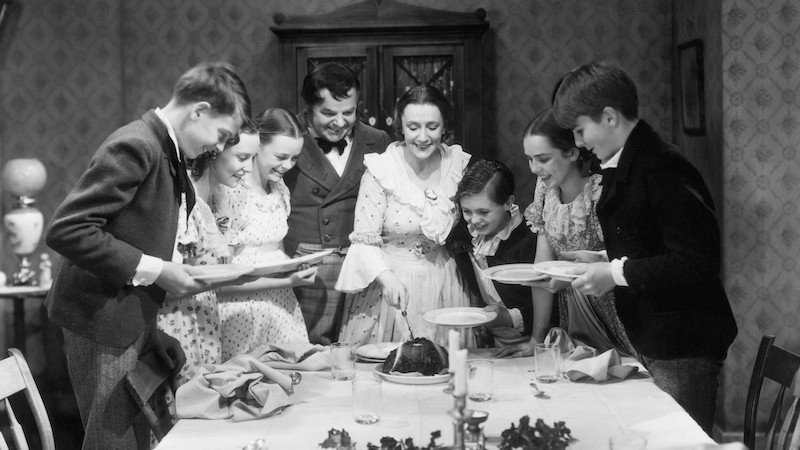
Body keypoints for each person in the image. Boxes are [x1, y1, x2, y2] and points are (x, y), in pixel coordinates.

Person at [45, 61, 251, 449]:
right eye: (222, 134)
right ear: (199, 110)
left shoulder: (166, 149)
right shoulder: (137, 144)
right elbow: (68, 229)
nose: (220, 147)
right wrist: (157, 270)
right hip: (101, 320)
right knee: (113, 442)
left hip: (129, 316)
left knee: (133, 437)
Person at [552, 61, 737, 434]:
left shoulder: (663, 166)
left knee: (677, 442)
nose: (578, 142)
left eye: (579, 129)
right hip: (654, 334)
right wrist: (604, 258)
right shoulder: (630, 162)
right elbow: (653, 242)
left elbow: (695, 261)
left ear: (609, 117)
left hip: (682, 340)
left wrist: (615, 273)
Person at [335, 84, 471, 345]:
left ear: (444, 127)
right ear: (401, 127)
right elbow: (364, 240)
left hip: (446, 281)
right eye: (413, 127)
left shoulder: (456, 164)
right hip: (391, 284)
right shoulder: (381, 170)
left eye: (432, 127)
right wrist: (389, 281)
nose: (422, 137)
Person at [498, 109, 634, 357]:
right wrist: (536, 341)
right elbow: (543, 269)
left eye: (542, 159)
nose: (534, 168)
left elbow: (629, 261)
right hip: (577, 318)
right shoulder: (544, 191)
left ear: (572, 152)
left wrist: (573, 276)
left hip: (622, 314)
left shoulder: (602, 189)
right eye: (530, 159)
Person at [284, 62, 392, 345]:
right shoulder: (286, 140)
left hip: (363, 265)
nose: (340, 122)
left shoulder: (379, 141)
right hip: (309, 267)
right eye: (328, 113)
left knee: (364, 351)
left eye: (349, 112)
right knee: (313, 354)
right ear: (308, 107)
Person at [155, 123, 260, 386]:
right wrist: (233, 277)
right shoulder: (185, 207)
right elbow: (166, 284)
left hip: (204, 323)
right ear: (214, 152)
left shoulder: (216, 199)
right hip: (179, 327)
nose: (249, 168)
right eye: (242, 157)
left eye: (253, 158)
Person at [213, 108, 317, 360]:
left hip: (281, 305)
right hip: (242, 311)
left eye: (294, 158)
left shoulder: (279, 189)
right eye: (281, 156)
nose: (287, 166)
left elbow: (275, 249)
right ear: (257, 146)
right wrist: (286, 280)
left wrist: (293, 269)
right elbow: (218, 277)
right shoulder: (230, 191)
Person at [446, 159, 551, 347]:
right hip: (489, 342)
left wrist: (510, 317)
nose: (475, 220)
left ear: (508, 203)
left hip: (534, 342)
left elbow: (555, 306)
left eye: (483, 212)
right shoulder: (464, 232)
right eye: (467, 211)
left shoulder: (530, 240)